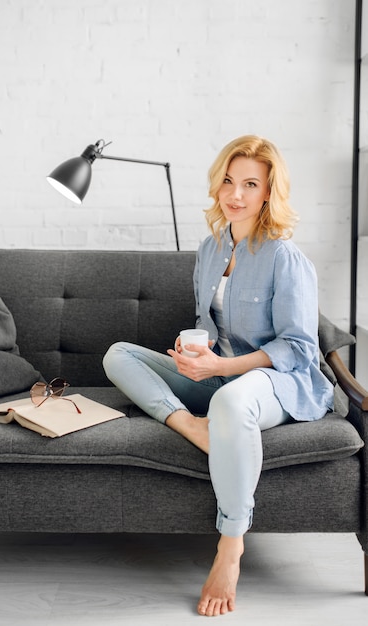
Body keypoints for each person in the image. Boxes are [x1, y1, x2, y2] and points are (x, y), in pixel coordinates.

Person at [102, 135, 334, 617]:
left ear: (269, 190)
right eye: (228, 180)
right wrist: (194, 356)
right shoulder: (210, 250)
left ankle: (231, 545)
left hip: (274, 383)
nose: (236, 194)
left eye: (250, 183)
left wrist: (222, 368)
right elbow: (210, 328)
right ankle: (189, 425)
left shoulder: (284, 257)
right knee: (118, 354)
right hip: (219, 374)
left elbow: (298, 348)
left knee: (230, 403)